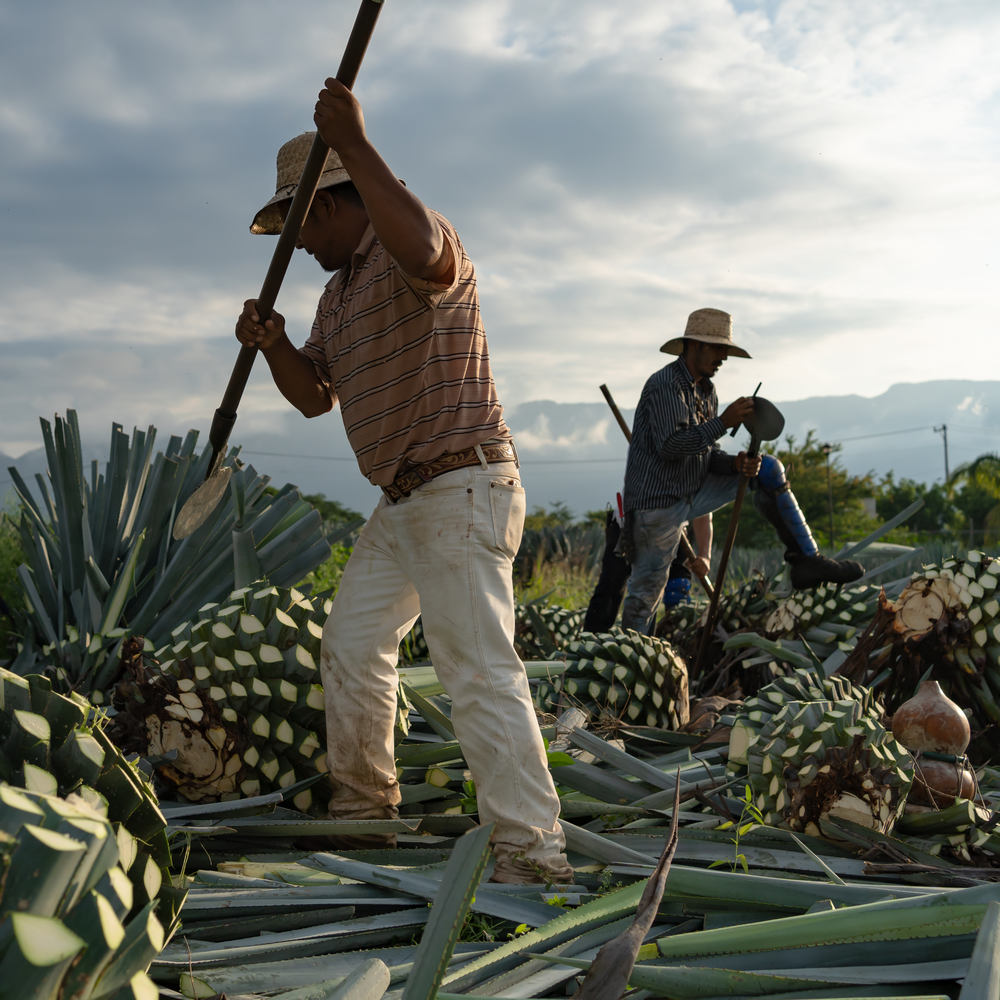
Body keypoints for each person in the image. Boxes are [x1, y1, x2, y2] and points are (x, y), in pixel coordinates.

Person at [235, 78, 573, 885]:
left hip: (461, 486)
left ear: (325, 207)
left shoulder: (412, 244)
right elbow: (316, 398)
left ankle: (532, 853)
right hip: (402, 500)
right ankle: (364, 816)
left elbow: (424, 247)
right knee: (351, 645)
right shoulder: (334, 294)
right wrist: (274, 344)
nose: (298, 243)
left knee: (477, 671)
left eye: (297, 224)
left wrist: (353, 142)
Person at [620, 308, 863, 635]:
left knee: (768, 470)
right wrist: (725, 422)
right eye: (718, 349)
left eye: (725, 351)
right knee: (647, 592)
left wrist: (734, 464)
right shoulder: (665, 385)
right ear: (695, 345)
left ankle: (807, 560)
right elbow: (672, 446)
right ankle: (630, 658)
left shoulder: (706, 390)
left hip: (692, 489)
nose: (723, 358)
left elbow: (705, 453)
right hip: (658, 502)